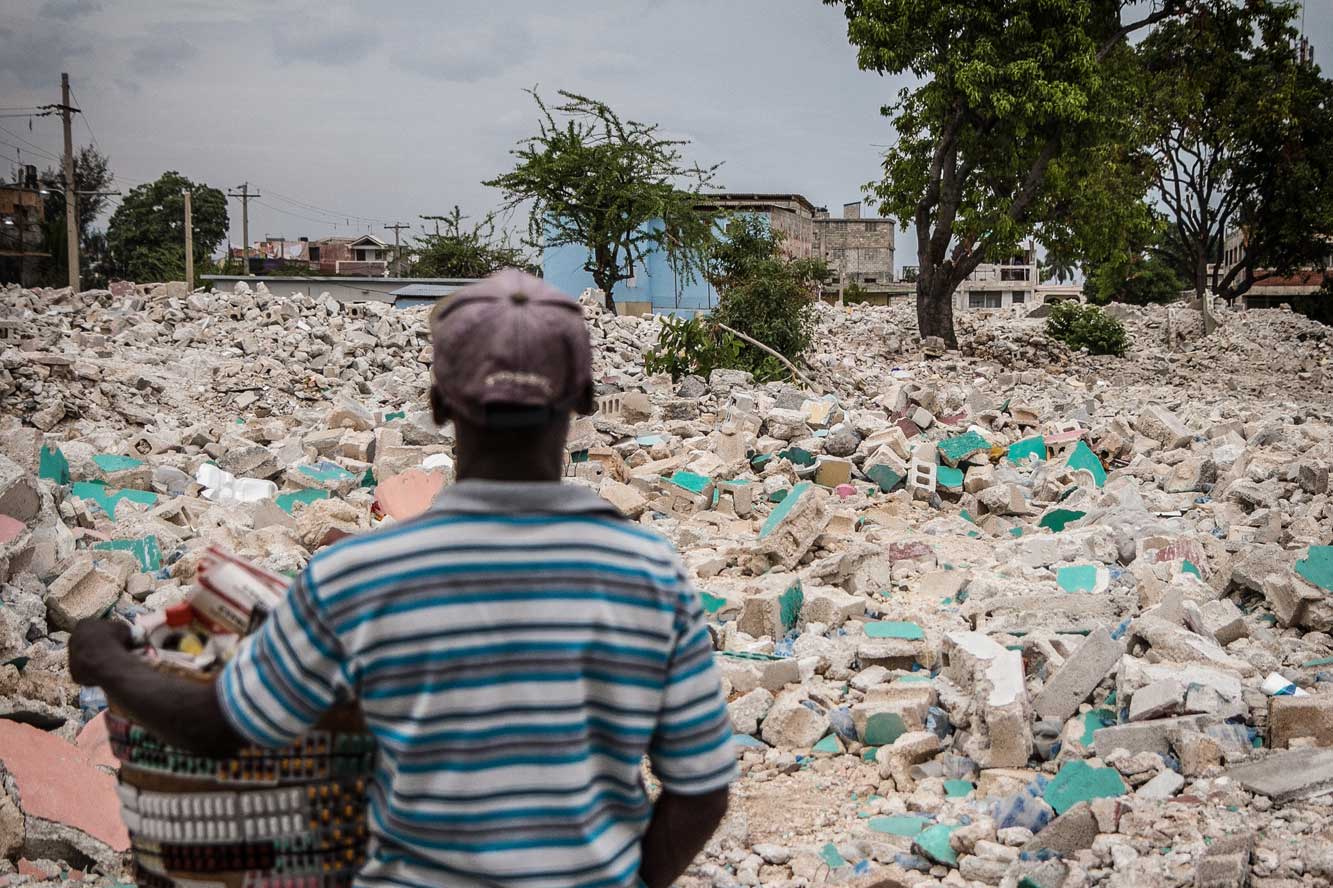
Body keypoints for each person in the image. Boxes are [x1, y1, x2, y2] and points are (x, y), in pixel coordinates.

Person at [70, 268, 736, 888]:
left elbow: (220, 727)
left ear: (439, 404)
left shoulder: (357, 576)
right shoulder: (651, 574)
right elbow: (702, 789)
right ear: (586, 398)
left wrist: (108, 660)